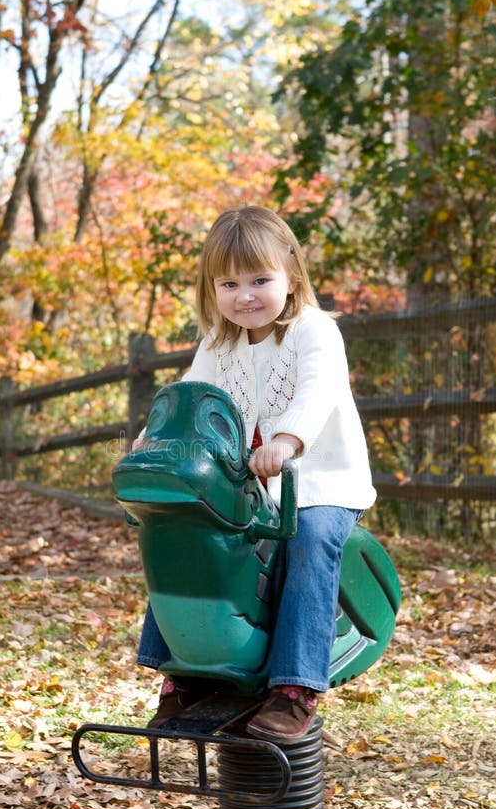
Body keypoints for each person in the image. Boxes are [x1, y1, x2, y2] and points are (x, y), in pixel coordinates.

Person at [135, 204, 376, 743]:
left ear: (291, 276)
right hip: (253, 491)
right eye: (229, 283)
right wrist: (159, 436)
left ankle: (295, 688)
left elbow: (317, 393)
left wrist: (289, 439)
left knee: (310, 543)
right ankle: (188, 670)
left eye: (260, 279)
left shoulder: (315, 332)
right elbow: (193, 400)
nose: (245, 295)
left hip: (320, 484)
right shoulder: (218, 345)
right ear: (212, 289)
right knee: (185, 533)